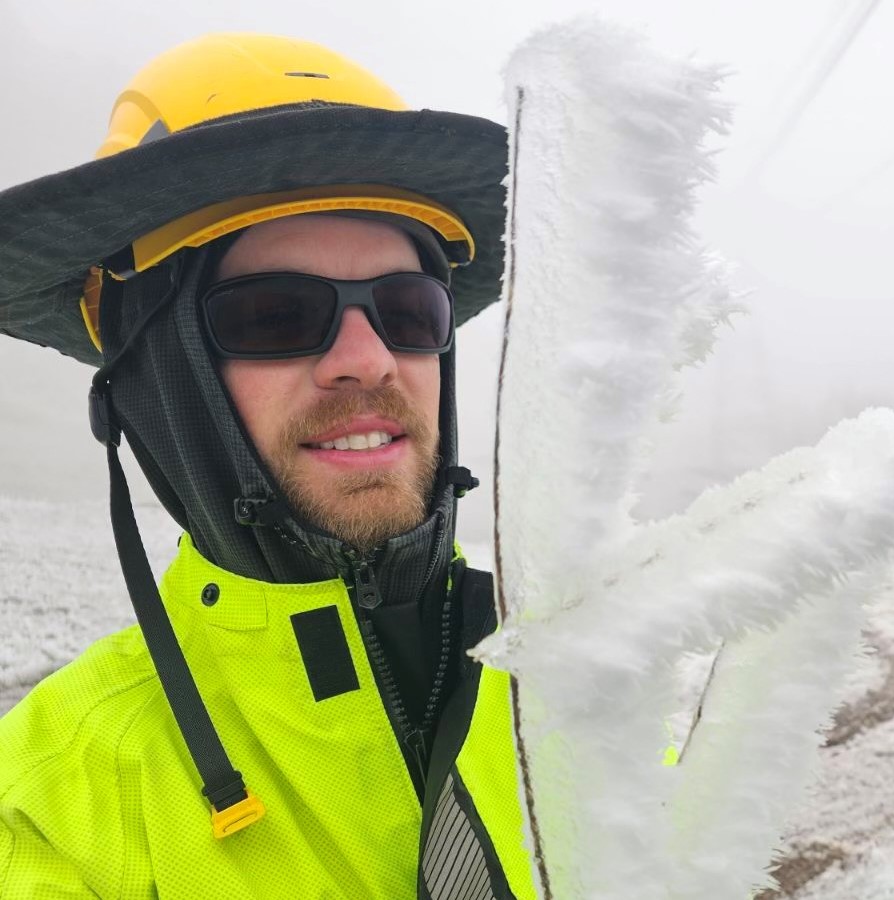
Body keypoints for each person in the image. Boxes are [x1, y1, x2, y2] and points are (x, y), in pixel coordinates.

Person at [0, 35, 537, 898]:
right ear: (158, 379)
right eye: (276, 314)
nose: (368, 359)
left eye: (408, 309)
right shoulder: (49, 818)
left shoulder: (584, 689)